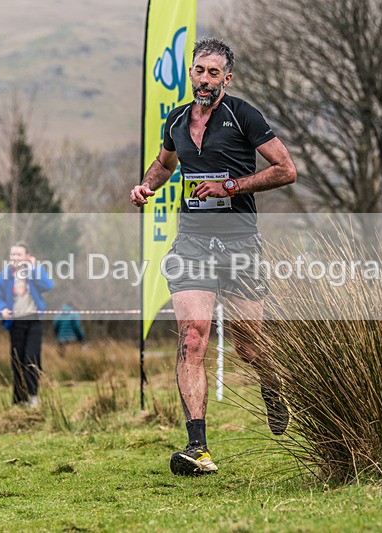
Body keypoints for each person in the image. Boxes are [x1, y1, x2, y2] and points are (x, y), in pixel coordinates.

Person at [130, 37, 297, 476]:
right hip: (192, 243)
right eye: (198, 70)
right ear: (191, 73)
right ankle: (198, 447)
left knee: (249, 346)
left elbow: (286, 169)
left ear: (227, 77)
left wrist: (231, 187)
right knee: (192, 339)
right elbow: (165, 165)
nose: (204, 79)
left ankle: (272, 384)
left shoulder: (243, 115)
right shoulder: (178, 120)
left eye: (213, 72)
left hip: (239, 242)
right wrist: (147, 186)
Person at [0, 242, 54, 408]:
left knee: (31, 359)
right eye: (13, 255)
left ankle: (33, 396)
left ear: (27, 256)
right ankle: (19, 399)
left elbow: (48, 286)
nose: (15, 258)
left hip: (33, 321)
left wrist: (34, 267)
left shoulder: (33, 273)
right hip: (15, 323)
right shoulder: (4, 276)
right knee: (17, 361)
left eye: (19, 254)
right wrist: (2, 309)